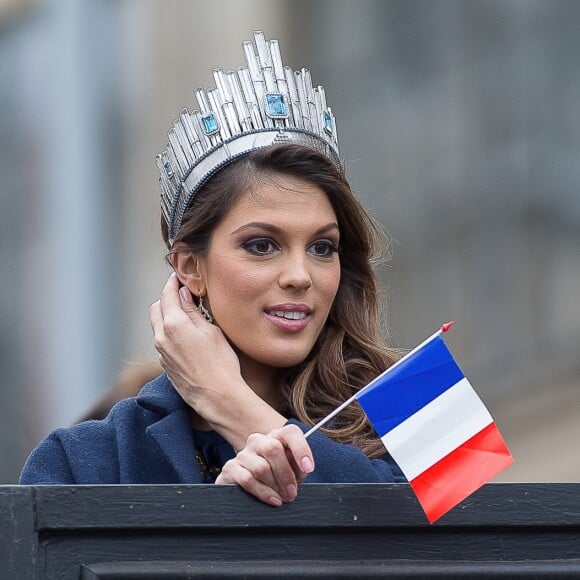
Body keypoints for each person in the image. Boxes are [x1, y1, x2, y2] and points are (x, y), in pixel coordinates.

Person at [20, 32, 406, 505]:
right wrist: (213, 540)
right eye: (262, 245)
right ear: (189, 267)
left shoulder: (416, 400)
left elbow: (449, 555)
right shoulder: (82, 463)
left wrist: (228, 402)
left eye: (323, 248)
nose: (301, 275)